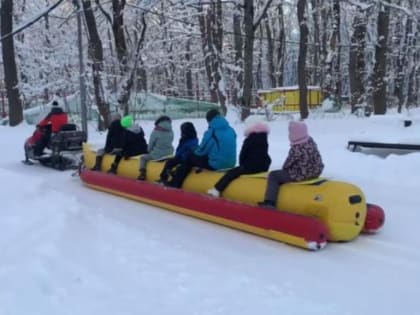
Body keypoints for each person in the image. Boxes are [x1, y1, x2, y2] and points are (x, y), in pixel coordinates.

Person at [258, 120, 324, 208]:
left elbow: (288, 164)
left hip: (302, 174)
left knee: (274, 175)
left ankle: (269, 202)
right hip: (315, 172)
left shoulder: (297, 147)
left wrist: (282, 173)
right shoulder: (310, 141)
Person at [165, 108, 236, 188]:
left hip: (217, 164)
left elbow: (201, 151)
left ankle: (175, 182)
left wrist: (193, 152)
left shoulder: (212, 131)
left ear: (209, 120)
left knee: (190, 157)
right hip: (231, 163)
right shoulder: (231, 130)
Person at [208, 115, 271, 197]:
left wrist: (242, 166)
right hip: (263, 166)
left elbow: (243, 154)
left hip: (251, 167)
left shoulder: (250, 139)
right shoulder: (263, 138)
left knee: (231, 173)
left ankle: (217, 189)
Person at [137, 115, 174, 180]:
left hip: (158, 154)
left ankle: (142, 173)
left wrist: (148, 151)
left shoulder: (156, 130)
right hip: (169, 153)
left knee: (143, 158)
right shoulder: (171, 130)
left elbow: (151, 144)